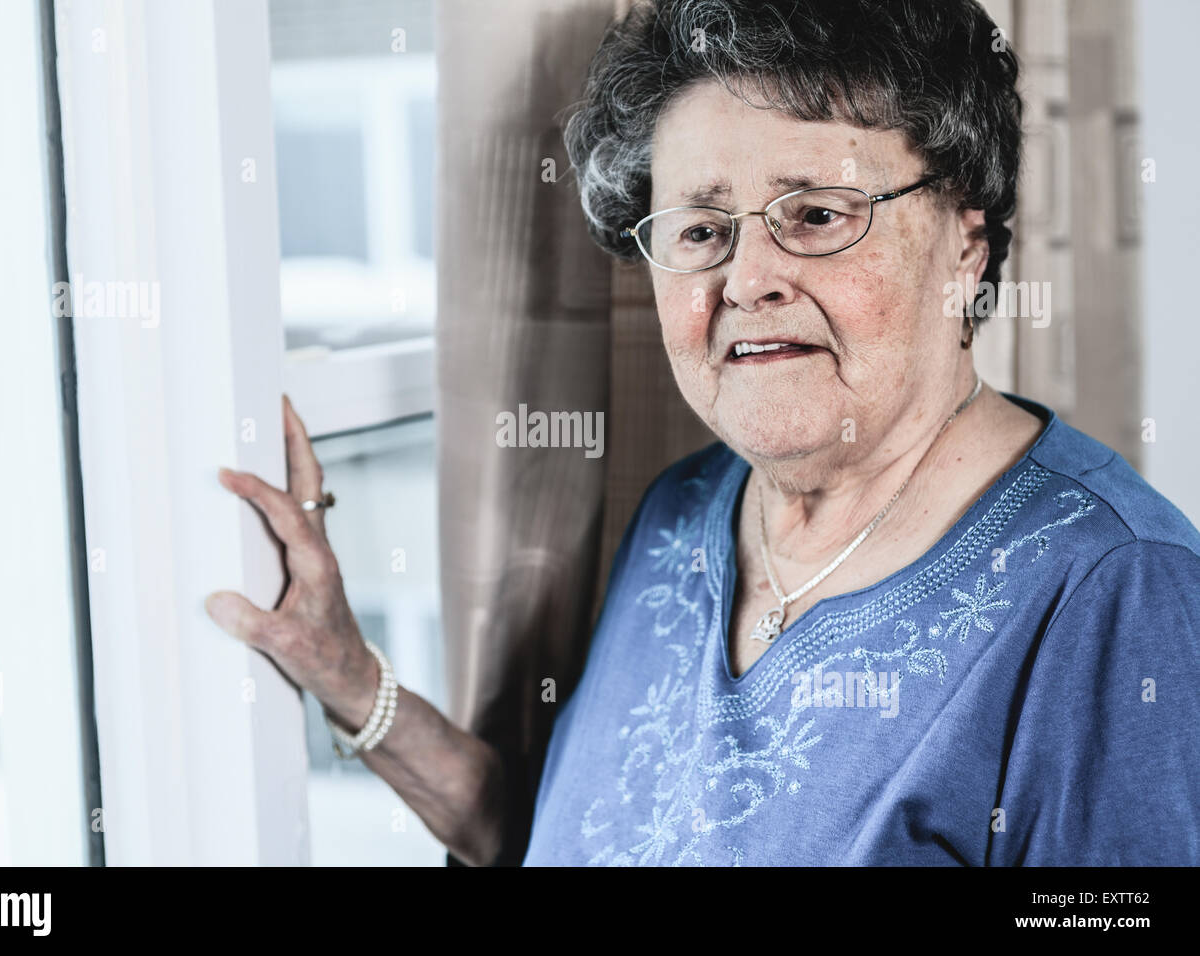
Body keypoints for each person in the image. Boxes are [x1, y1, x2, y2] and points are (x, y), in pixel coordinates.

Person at [206, 0, 1200, 865]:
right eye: (699, 229)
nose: (746, 278)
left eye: (816, 213)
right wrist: (344, 669)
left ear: (964, 248)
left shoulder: (1117, 590)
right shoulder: (681, 511)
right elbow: (554, 838)